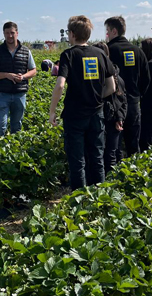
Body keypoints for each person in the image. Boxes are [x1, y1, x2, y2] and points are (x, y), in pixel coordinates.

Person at [49, 15, 116, 190]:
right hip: (96, 113)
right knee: (97, 157)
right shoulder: (100, 53)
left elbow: (60, 85)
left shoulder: (68, 55)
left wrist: (52, 111)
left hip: (75, 115)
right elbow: (112, 86)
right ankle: (99, 197)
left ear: (71, 34)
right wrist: (97, 98)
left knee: (77, 160)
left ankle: (79, 201)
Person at [105, 16, 150, 157]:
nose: (106, 35)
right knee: (133, 142)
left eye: (107, 31)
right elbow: (146, 78)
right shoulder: (138, 51)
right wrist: (137, 94)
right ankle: (134, 173)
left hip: (115, 105)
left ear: (114, 31)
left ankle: (117, 174)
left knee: (115, 145)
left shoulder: (109, 51)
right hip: (133, 103)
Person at [0, 21, 37, 138]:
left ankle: (15, 151)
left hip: (20, 94)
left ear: (17, 33)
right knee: (0, 125)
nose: (10, 36)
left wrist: (23, 77)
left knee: (17, 126)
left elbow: (33, 70)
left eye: (12, 33)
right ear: (3, 34)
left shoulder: (26, 51)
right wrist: (6, 75)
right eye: (7, 33)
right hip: (2, 94)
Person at [92, 42, 127, 175]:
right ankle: (114, 179)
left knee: (106, 153)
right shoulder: (117, 75)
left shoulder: (106, 77)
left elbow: (116, 99)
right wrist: (121, 117)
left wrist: (118, 117)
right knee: (113, 151)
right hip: (115, 118)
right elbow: (123, 100)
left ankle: (107, 183)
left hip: (107, 118)